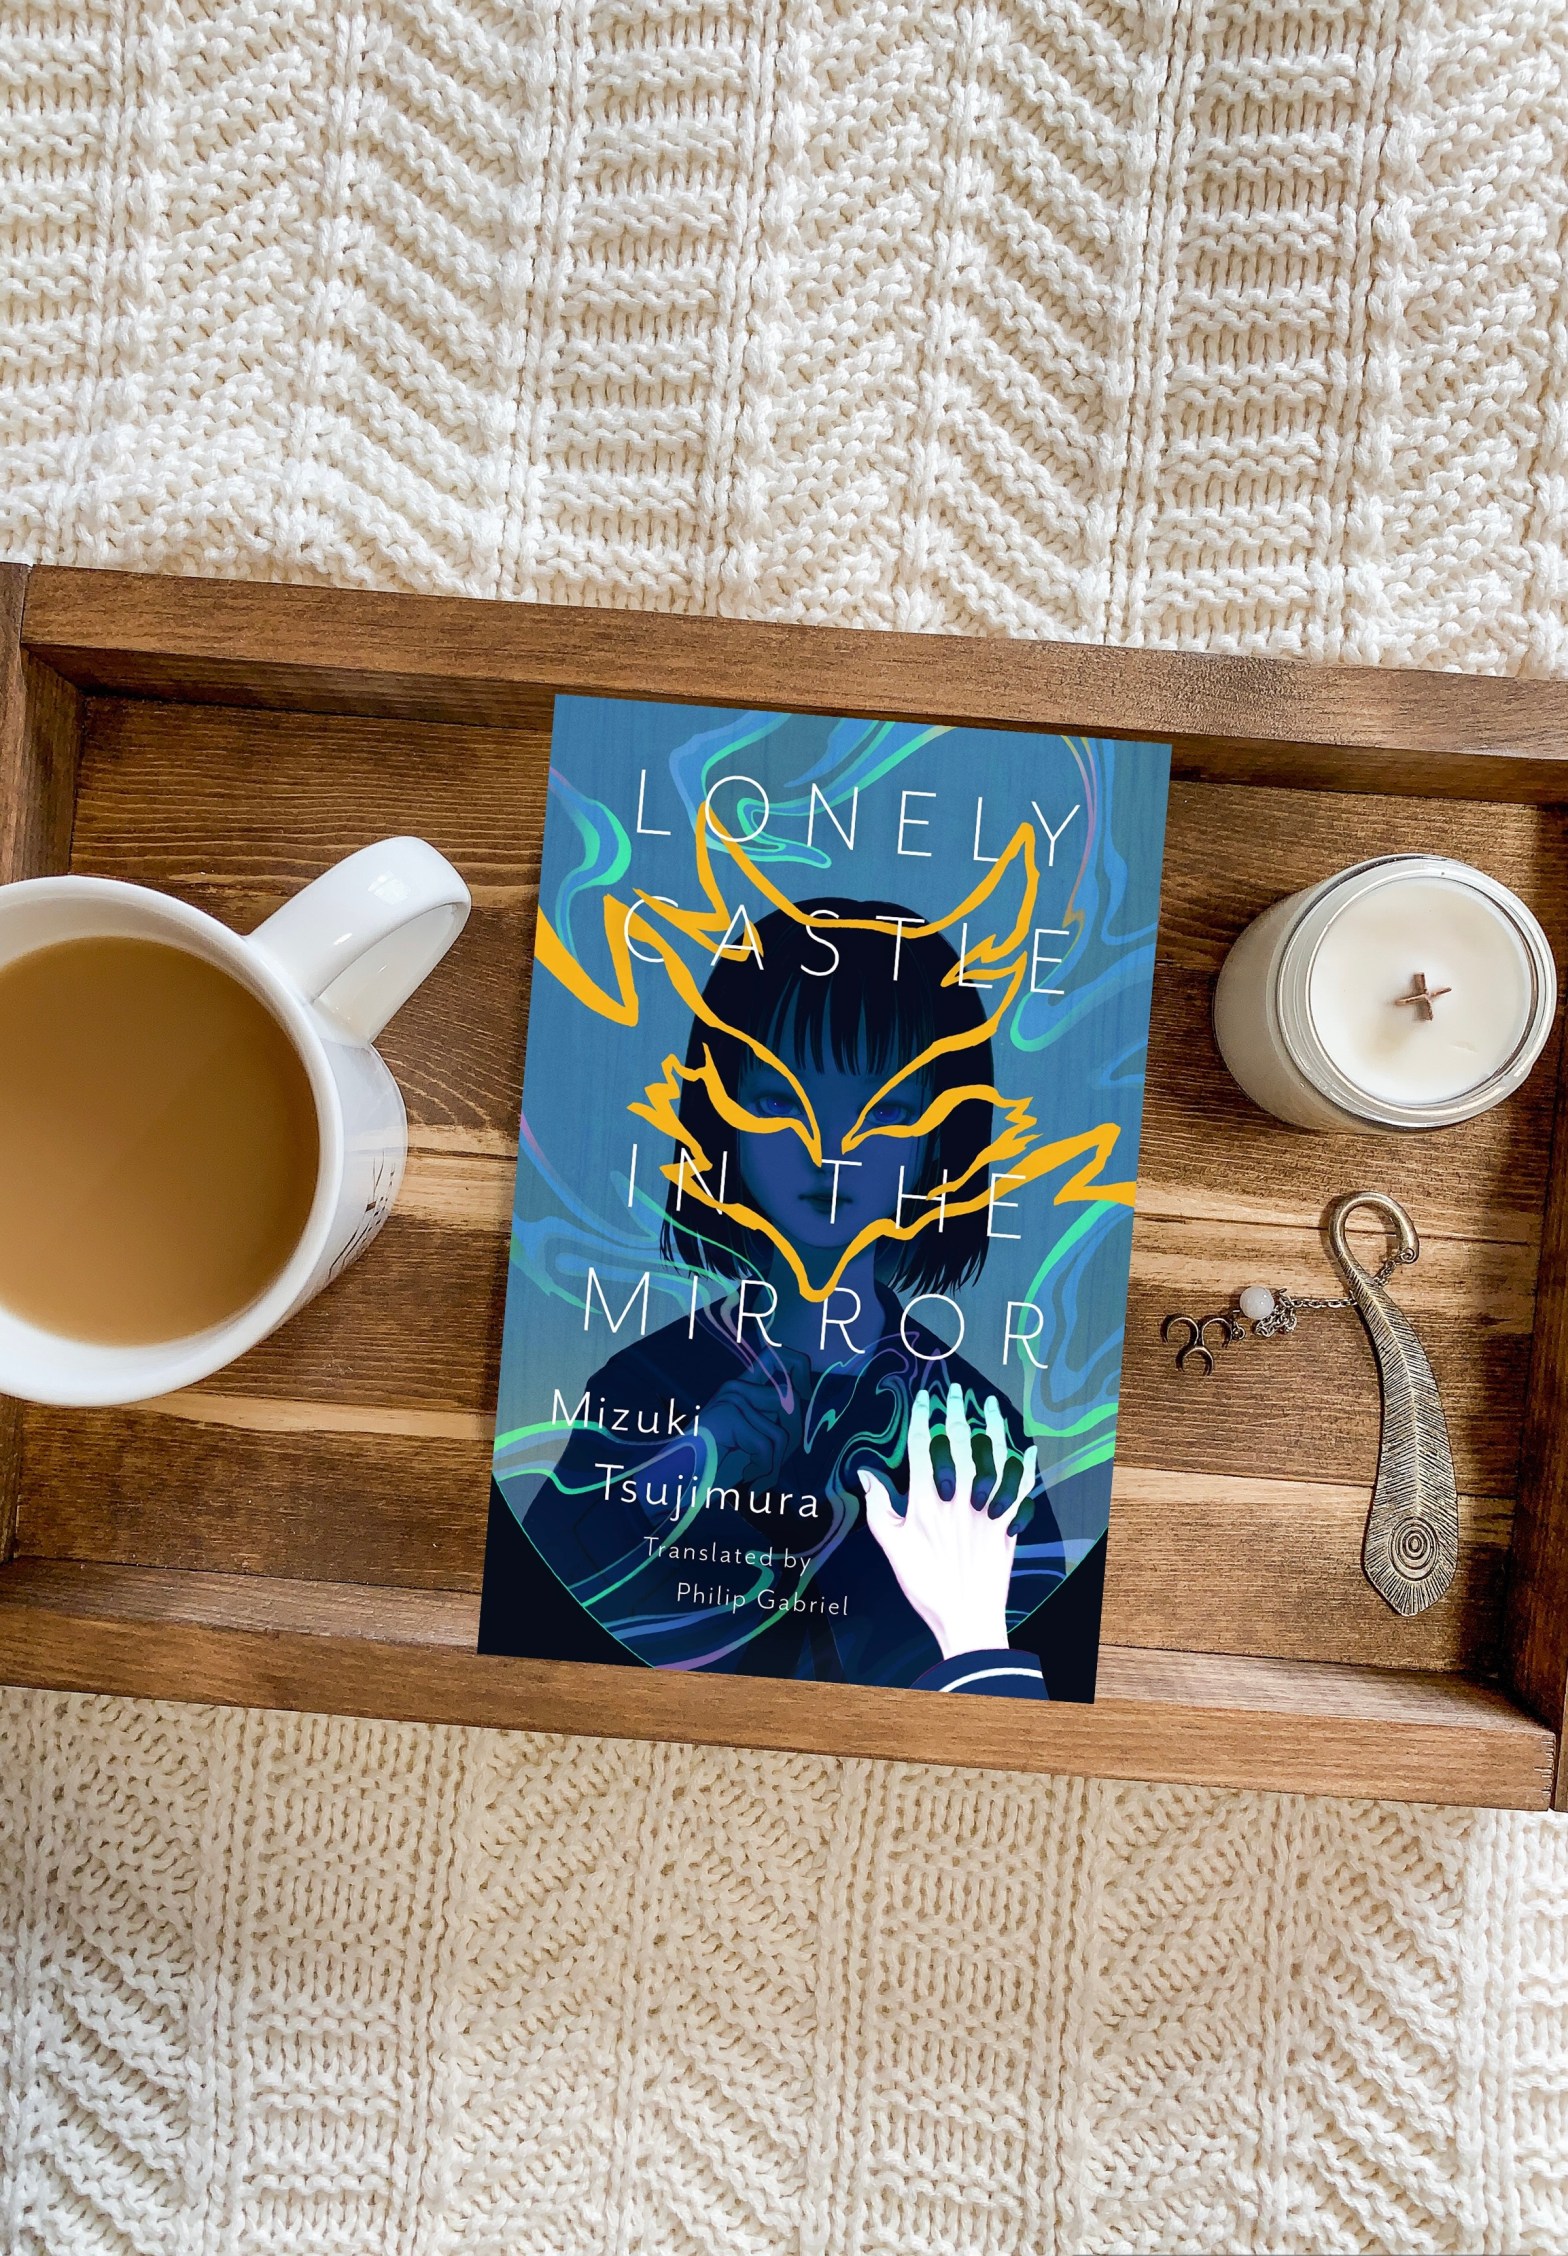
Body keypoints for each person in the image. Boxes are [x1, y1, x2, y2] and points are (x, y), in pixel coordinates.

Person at [481, 897, 1101, 1697]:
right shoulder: (645, 1383)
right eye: (778, 1100)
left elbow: (1023, 1671)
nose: (830, 1148)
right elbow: (538, 1613)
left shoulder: (974, 1425)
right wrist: (687, 1468)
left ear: (941, 1142)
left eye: (887, 1112)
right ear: (720, 1118)